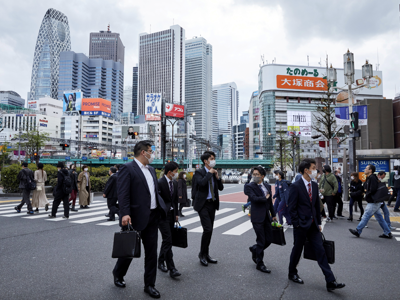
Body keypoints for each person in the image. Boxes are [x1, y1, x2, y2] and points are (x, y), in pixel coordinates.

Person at [112, 141, 167, 298]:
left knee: (151, 253)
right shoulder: (127, 168)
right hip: (134, 218)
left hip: (153, 216)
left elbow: (154, 192)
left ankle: (149, 285)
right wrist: (124, 213)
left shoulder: (151, 169)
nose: (152, 154)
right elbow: (123, 193)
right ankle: (118, 273)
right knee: (129, 251)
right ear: (143, 152)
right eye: (151, 151)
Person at [288, 158, 345, 292]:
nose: (316, 171)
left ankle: (330, 281)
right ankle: (292, 272)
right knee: (297, 250)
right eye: (313, 168)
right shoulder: (295, 186)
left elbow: (315, 206)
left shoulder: (314, 185)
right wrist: (296, 224)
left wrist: (318, 223)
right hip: (301, 225)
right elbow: (292, 207)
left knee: (321, 251)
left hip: (313, 225)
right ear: (306, 170)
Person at [193, 150, 224, 267]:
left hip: (212, 204)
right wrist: (209, 173)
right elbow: (201, 183)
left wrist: (217, 177)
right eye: (211, 158)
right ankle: (201, 254)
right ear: (205, 161)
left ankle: (206, 254)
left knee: (210, 230)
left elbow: (220, 188)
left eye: (213, 158)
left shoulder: (214, 172)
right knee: (207, 229)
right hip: (203, 205)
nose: (213, 160)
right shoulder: (199, 172)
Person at [244, 166, 276, 273]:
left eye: (257, 174)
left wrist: (274, 214)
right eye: (254, 174)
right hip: (257, 217)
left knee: (269, 239)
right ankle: (260, 263)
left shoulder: (267, 186)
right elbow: (253, 198)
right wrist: (264, 198)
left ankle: (255, 249)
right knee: (261, 240)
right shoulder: (249, 186)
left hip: (267, 216)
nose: (255, 176)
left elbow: (270, 201)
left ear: (262, 176)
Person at [349, 164, 393, 239]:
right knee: (380, 218)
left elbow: (373, 189)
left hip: (373, 202)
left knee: (366, 216)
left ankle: (358, 231)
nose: (364, 169)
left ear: (370, 170)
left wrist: (367, 194)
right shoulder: (369, 177)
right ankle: (387, 232)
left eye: (366, 168)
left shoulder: (372, 178)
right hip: (374, 201)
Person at [157, 162, 181, 278]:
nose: (177, 173)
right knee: (168, 240)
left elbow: (175, 200)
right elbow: (157, 200)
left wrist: (176, 213)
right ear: (170, 172)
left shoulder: (175, 183)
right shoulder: (160, 183)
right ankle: (172, 268)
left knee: (167, 240)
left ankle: (160, 261)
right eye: (176, 171)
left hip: (171, 214)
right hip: (162, 215)